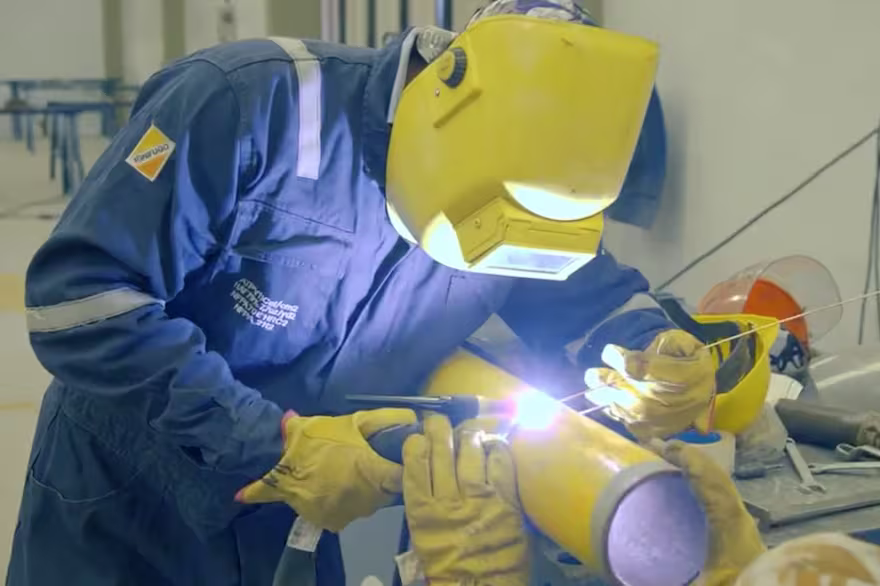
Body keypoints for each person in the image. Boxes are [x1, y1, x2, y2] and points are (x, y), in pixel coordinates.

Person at [7, 1, 716, 584]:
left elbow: (591, 298)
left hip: (302, 513)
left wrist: (654, 347)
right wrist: (274, 443)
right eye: (475, 219)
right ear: (439, 111)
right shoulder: (251, 103)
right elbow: (79, 300)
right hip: (128, 497)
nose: (487, 245)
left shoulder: (531, 184)